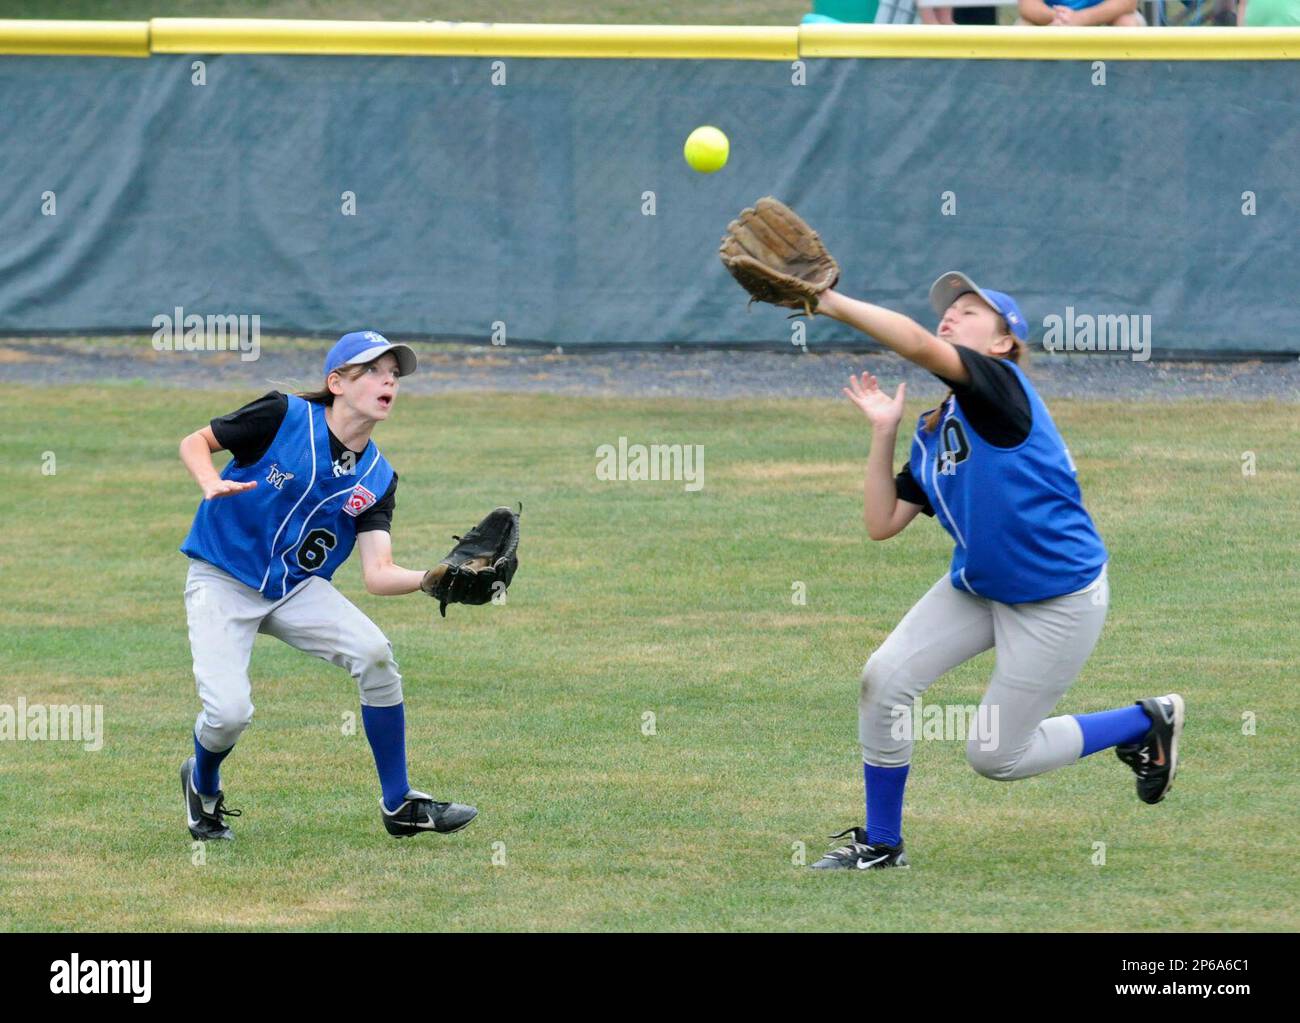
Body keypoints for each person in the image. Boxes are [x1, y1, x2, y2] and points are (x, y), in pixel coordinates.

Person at [806, 273, 1184, 870]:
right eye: (948, 310)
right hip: (980, 588)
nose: (950, 316)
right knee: (884, 678)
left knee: (995, 756)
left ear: (1004, 342)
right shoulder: (934, 433)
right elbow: (882, 522)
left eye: (971, 310)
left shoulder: (999, 388)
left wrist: (828, 303)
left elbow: (912, 342)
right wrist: (884, 431)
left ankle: (1145, 722)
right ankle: (881, 843)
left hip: (1057, 599)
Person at [176, 331, 477, 842]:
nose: (388, 381)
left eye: (394, 375)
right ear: (337, 382)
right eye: (374, 371)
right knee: (229, 714)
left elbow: (378, 574)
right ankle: (202, 784)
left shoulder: (378, 478)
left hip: (294, 588)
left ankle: (398, 802)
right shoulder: (283, 415)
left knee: (375, 653)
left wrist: (434, 579)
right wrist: (209, 480)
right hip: (222, 576)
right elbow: (195, 441)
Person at [1018, 0, 1146, 24]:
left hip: (1104, 18)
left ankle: (1132, 94)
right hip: (1055, 21)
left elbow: (1127, 3)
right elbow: (1028, 6)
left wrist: (1080, 18)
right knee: (1023, 29)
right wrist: (1058, 17)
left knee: (1127, 23)